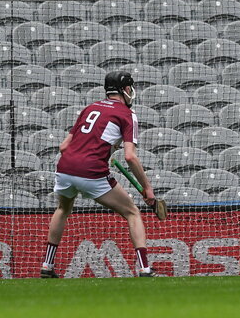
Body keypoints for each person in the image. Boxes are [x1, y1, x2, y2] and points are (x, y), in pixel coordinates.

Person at [40, 71, 159, 278]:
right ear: (126, 89)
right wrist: (147, 188)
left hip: (65, 168)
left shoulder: (90, 108)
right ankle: (145, 269)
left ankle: (47, 266)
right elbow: (130, 157)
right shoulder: (127, 115)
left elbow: (63, 146)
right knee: (132, 212)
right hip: (91, 171)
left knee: (63, 209)